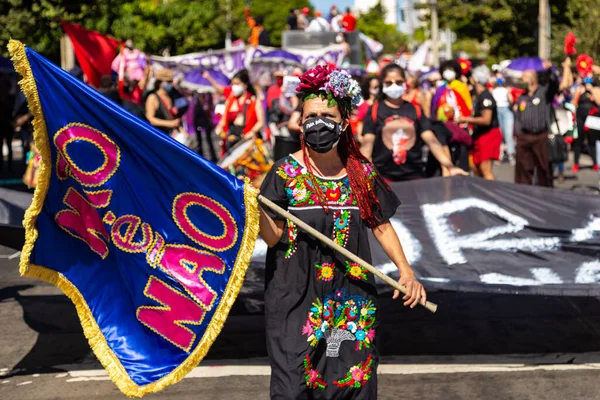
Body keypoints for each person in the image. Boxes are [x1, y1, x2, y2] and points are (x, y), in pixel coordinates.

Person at [258, 64, 426, 399]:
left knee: (351, 387)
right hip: (295, 297)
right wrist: (259, 207)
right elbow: (273, 237)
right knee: (293, 389)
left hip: (350, 299)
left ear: (344, 122)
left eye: (326, 116)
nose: (317, 123)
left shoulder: (360, 172)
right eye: (310, 116)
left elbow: (381, 227)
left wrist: (406, 272)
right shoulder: (284, 173)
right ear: (301, 123)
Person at [361, 63, 467, 181]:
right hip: (384, 178)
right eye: (389, 83)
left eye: (399, 82)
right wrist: (362, 173)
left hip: (414, 177)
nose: (394, 86)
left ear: (405, 83)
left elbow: (431, 140)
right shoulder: (375, 110)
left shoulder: (414, 109)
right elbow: (367, 145)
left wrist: (450, 166)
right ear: (383, 84)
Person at [513, 62, 558, 187]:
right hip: (524, 137)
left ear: (532, 79)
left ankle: (545, 194)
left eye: (524, 78)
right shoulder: (522, 97)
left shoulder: (543, 93)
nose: (521, 81)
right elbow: (518, 116)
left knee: (543, 168)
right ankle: (523, 193)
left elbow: (554, 84)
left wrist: (550, 71)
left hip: (540, 136)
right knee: (523, 168)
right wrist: (518, 132)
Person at [459, 65, 502, 180]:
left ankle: (491, 195)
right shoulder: (479, 96)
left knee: (485, 168)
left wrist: (465, 119)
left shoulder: (485, 96)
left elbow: (486, 119)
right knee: (476, 167)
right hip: (480, 135)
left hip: (488, 134)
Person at [215, 69, 265, 151]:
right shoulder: (230, 100)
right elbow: (223, 121)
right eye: (233, 84)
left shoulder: (253, 100)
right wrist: (219, 128)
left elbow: (261, 122)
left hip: (248, 140)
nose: (234, 87)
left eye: (237, 84)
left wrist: (252, 132)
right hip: (232, 139)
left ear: (245, 85)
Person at [572, 74, 600, 172]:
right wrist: (578, 92)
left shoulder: (595, 90)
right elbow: (574, 103)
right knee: (578, 141)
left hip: (592, 119)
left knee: (592, 141)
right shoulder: (580, 89)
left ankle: (595, 163)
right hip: (580, 118)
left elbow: (599, 102)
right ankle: (576, 163)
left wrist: (592, 90)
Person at [145, 69, 181, 135]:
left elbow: (173, 117)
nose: (171, 84)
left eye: (171, 81)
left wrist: (181, 130)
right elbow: (150, 118)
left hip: (173, 135)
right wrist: (169, 124)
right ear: (160, 83)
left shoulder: (170, 96)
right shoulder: (152, 97)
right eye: (168, 81)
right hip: (160, 135)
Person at [491, 73, 515, 165]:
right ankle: (499, 155)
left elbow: (511, 102)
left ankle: (510, 155)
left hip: (506, 111)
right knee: (499, 134)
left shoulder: (506, 90)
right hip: (497, 111)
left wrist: (509, 94)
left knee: (508, 134)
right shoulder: (493, 90)